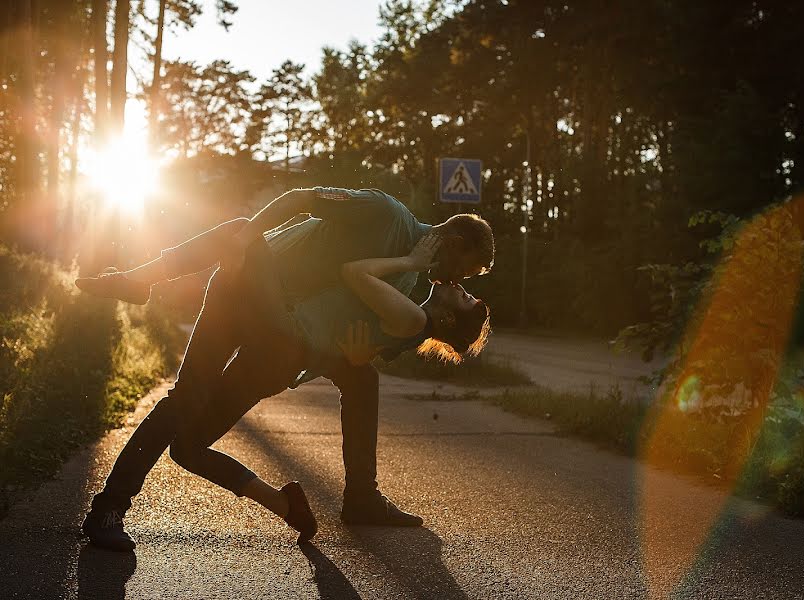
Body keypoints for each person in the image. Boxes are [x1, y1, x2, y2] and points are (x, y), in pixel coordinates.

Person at [76, 186, 494, 551]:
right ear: (454, 243)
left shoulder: (410, 286)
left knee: (190, 440)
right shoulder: (386, 213)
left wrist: (354, 357)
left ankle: (351, 497)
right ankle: (111, 509)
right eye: (468, 270)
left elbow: (354, 341)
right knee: (185, 398)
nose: (462, 281)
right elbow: (297, 199)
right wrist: (242, 242)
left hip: (276, 338)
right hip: (243, 289)